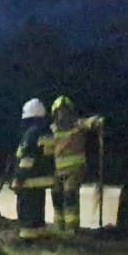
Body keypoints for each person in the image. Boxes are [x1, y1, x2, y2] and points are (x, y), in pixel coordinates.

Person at [48, 95, 105, 235]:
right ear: (55, 113)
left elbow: (90, 122)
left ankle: (71, 229)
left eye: (65, 110)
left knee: (70, 195)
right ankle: (59, 227)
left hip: (75, 169)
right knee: (57, 198)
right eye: (60, 111)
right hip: (56, 171)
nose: (63, 114)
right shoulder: (52, 129)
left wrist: (97, 120)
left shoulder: (77, 125)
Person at [14, 98, 54, 242]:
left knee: (26, 210)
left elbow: (27, 159)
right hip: (43, 178)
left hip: (30, 179)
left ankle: (28, 239)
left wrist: (19, 179)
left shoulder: (31, 133)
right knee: (38, 209)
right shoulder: (48, 132)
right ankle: (39, 234)